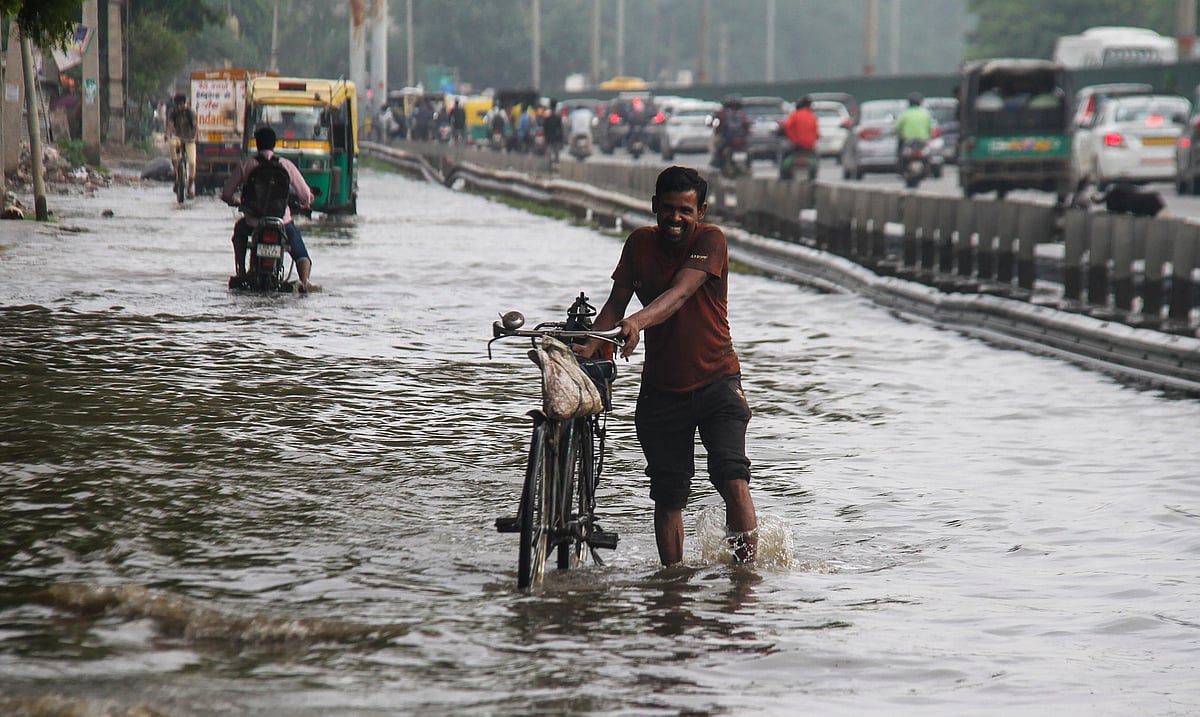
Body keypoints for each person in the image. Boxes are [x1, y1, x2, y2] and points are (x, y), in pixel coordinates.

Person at [578, 165, 758, 566]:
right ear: (655, 206)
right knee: (668, 493)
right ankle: (671, 586)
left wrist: (637, 323)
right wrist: (588, 349)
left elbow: (679, 294)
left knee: (733, 479)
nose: (676, 218)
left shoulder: (712, 240)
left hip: (717, 381)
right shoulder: (639, 243)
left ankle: (746, 582)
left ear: (701, 212)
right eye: (668, 209)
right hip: (662, 388)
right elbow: (614, 305)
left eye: (685, 211)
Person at [221, 126, 318, 292]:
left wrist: (234, 201)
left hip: (253, 221)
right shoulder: (286, 165)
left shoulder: (246, 165)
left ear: (257, 144)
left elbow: (226, 193)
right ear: (274, 144)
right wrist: (307, 201)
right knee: (298, 247)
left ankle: (241, 271)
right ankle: (305, 280)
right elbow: (305, 195)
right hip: (282, 220)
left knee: (239, 232)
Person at [165, 93, 198, 198]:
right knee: (172, 144)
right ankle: (176, 170)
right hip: (178, 137)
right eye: (178, 104)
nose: (179, 107)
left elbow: (195, 127)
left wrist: (195, 137)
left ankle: (189, 187)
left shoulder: (190, 112)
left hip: (189, 139)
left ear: (185, 103)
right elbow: (170, 125)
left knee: (192, 163)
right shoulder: (173, 112)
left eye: (181, 104)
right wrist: (168, 134)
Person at [780, 95, 820, 178]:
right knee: (816, 159)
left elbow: (787, 126)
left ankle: (783, 177)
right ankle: (813, 176)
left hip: (797, 146)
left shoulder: (795, 115)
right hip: (809, 147)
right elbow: (817, 134)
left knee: (784, 155)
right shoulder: (813, 117)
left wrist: (792, 138)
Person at [711, 95, 749, 171]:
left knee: (718, 149)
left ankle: (717, 164)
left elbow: (716, 124)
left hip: (728, 138)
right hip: (740, 138)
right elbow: (747, 126)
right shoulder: (743, 114)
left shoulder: (722, 113)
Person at [895, 92, 934, 162]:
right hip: (923, 141)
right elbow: (930, 128)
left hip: (908, 141)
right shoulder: (926, 113)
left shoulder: (905, 114)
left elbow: (898, 128)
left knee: (900, 154)